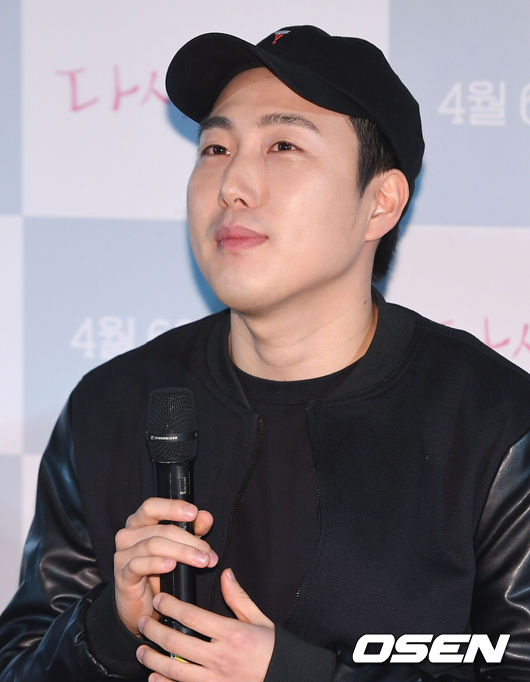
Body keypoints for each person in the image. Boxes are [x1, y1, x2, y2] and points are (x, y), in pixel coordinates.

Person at [0, 24, 529, 682]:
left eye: (283, 146)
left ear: (380, 203)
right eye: (216, 148)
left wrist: (297, 675)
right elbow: (20, 663)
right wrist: (112, 627)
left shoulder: (496, 422)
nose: (233, 185)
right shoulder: (112, 405)